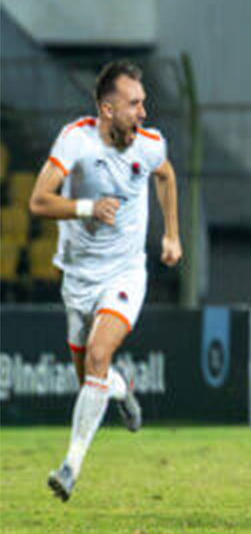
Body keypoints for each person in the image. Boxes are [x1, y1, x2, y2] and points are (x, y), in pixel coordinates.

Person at [30, 61, 182, 501]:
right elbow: (39, 200)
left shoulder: (150, 145)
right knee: (91, 378)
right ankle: (121, 387)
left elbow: (167, 175)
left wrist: (172, 234)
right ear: (107, 108)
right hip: (77, 276)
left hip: (125, 273)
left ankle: (69, 467)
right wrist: (86, 207)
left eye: (143, 102)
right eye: (134, 104)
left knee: (98, 353)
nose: (143, 111)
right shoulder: (75, 140)